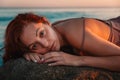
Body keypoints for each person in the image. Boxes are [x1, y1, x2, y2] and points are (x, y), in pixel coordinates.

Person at [3, 13, 120, 71]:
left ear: (46, 22)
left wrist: (78, 60)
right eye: (34, 45)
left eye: (42, 33)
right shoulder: (56, 32)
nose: (46, 44)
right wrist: (27, 54)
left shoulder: (76, 34)